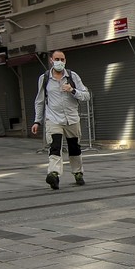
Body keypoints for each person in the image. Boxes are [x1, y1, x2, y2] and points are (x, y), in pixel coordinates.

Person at [31, 51, 90, 189]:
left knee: (74, 147)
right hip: (53, 118)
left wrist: (72, 90)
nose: (59, 62)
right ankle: (54, 174)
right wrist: (37, 121)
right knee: (55, 146)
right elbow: (39, 101)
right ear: (51, 60)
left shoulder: (72, 76)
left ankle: (78, 173)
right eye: (56, 59)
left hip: (72, 118)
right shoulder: (44, 78)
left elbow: (86, 95)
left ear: (65, 61)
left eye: (62, 59)